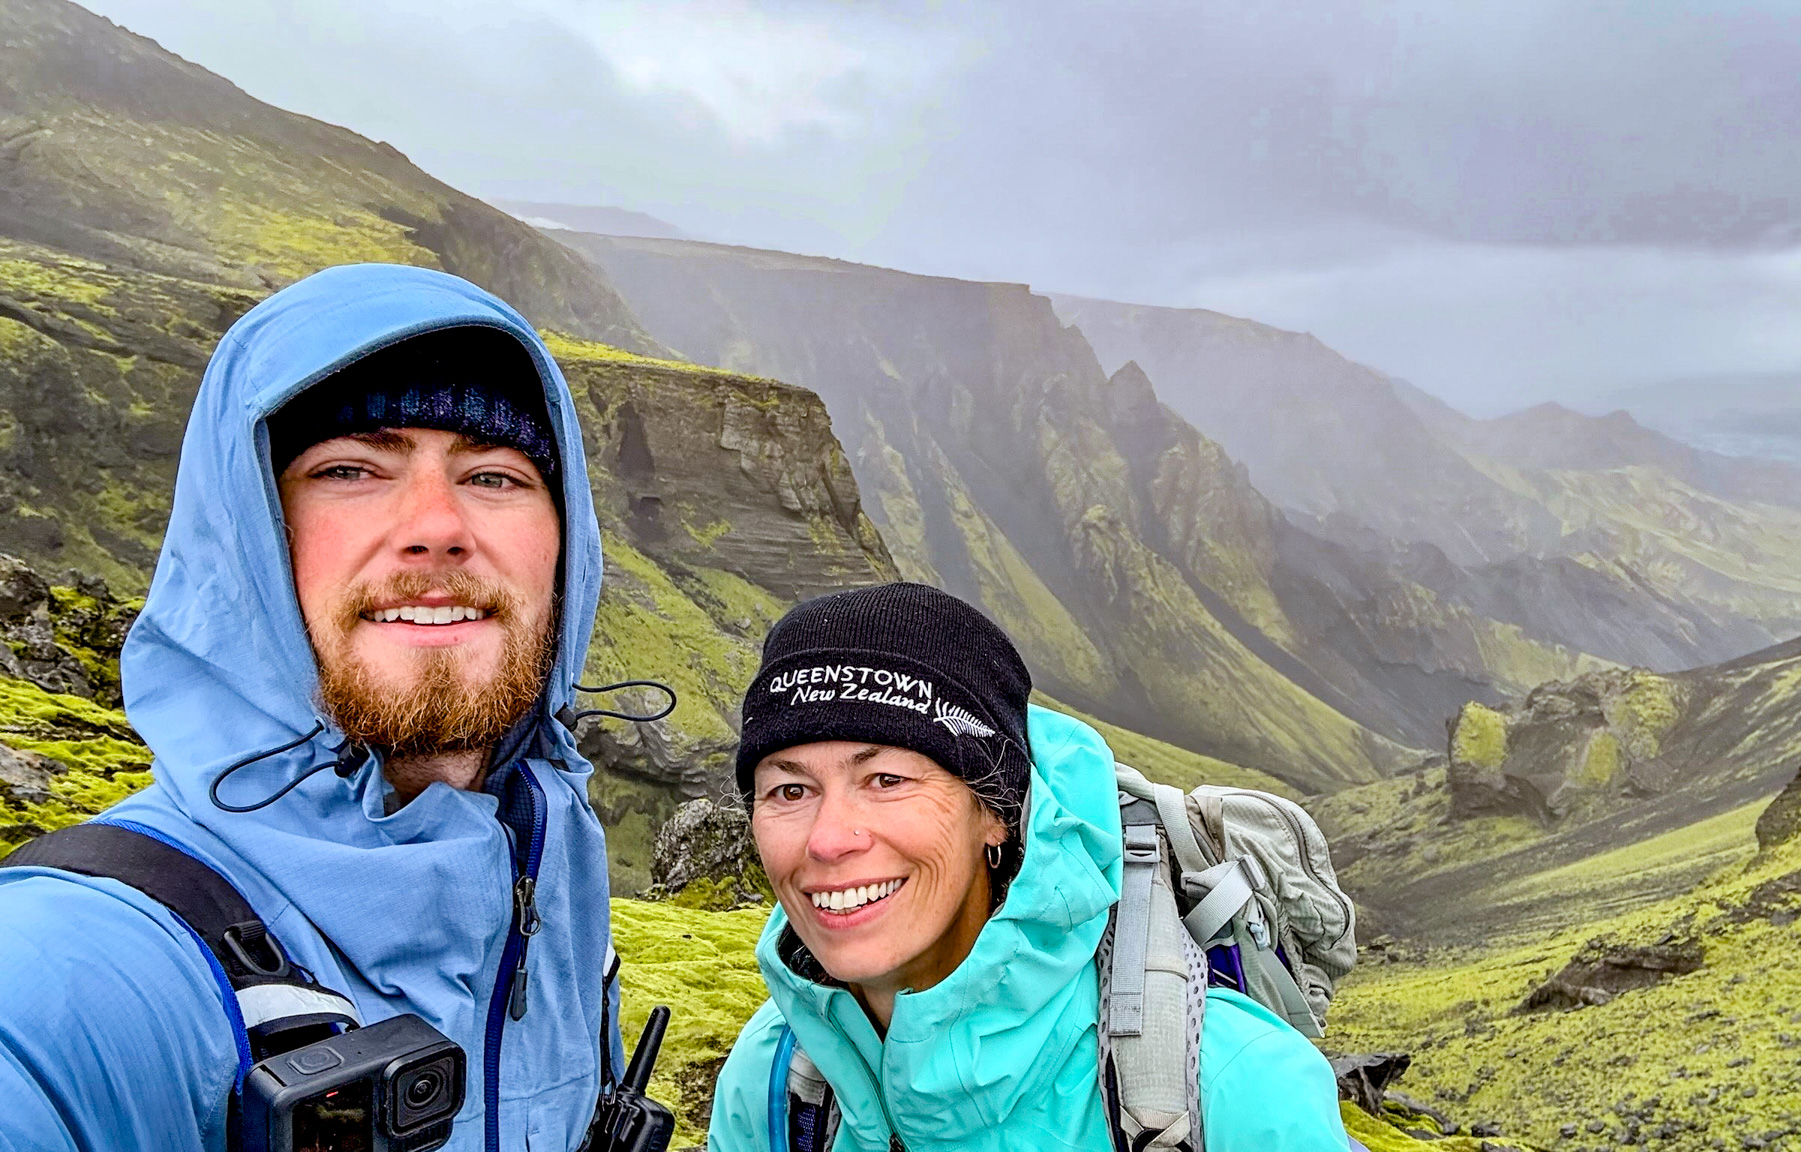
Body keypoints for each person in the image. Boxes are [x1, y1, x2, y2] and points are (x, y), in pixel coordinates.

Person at [0, 265, 621, 1149]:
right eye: (352, 469)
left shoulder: (560, 906)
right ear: (253, 532)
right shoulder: (80, 967)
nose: (437, 524)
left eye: (494, 476)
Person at [706, 582, 1351, 1151]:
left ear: (996, 814)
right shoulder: (775, 1081)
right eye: (790, 791)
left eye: (886, 779)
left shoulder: (1234, 1090)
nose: (827, 841)